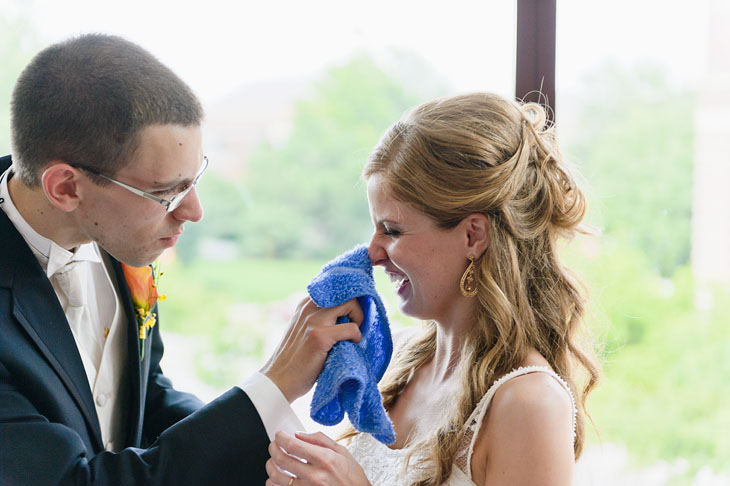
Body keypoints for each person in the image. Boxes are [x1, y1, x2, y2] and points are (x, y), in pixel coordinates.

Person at [0, 34, 363, 485]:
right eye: (164, 193)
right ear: (66, 188)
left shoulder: (117, 232)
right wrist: (271, 385)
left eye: (193, 180)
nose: (193, 211)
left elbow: (145, 398)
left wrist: (275, 451)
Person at [265, 92, 601, 486]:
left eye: (391, 230)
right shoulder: (397, 361)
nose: (371, 253)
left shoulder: (529, 402)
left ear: (473, 236)